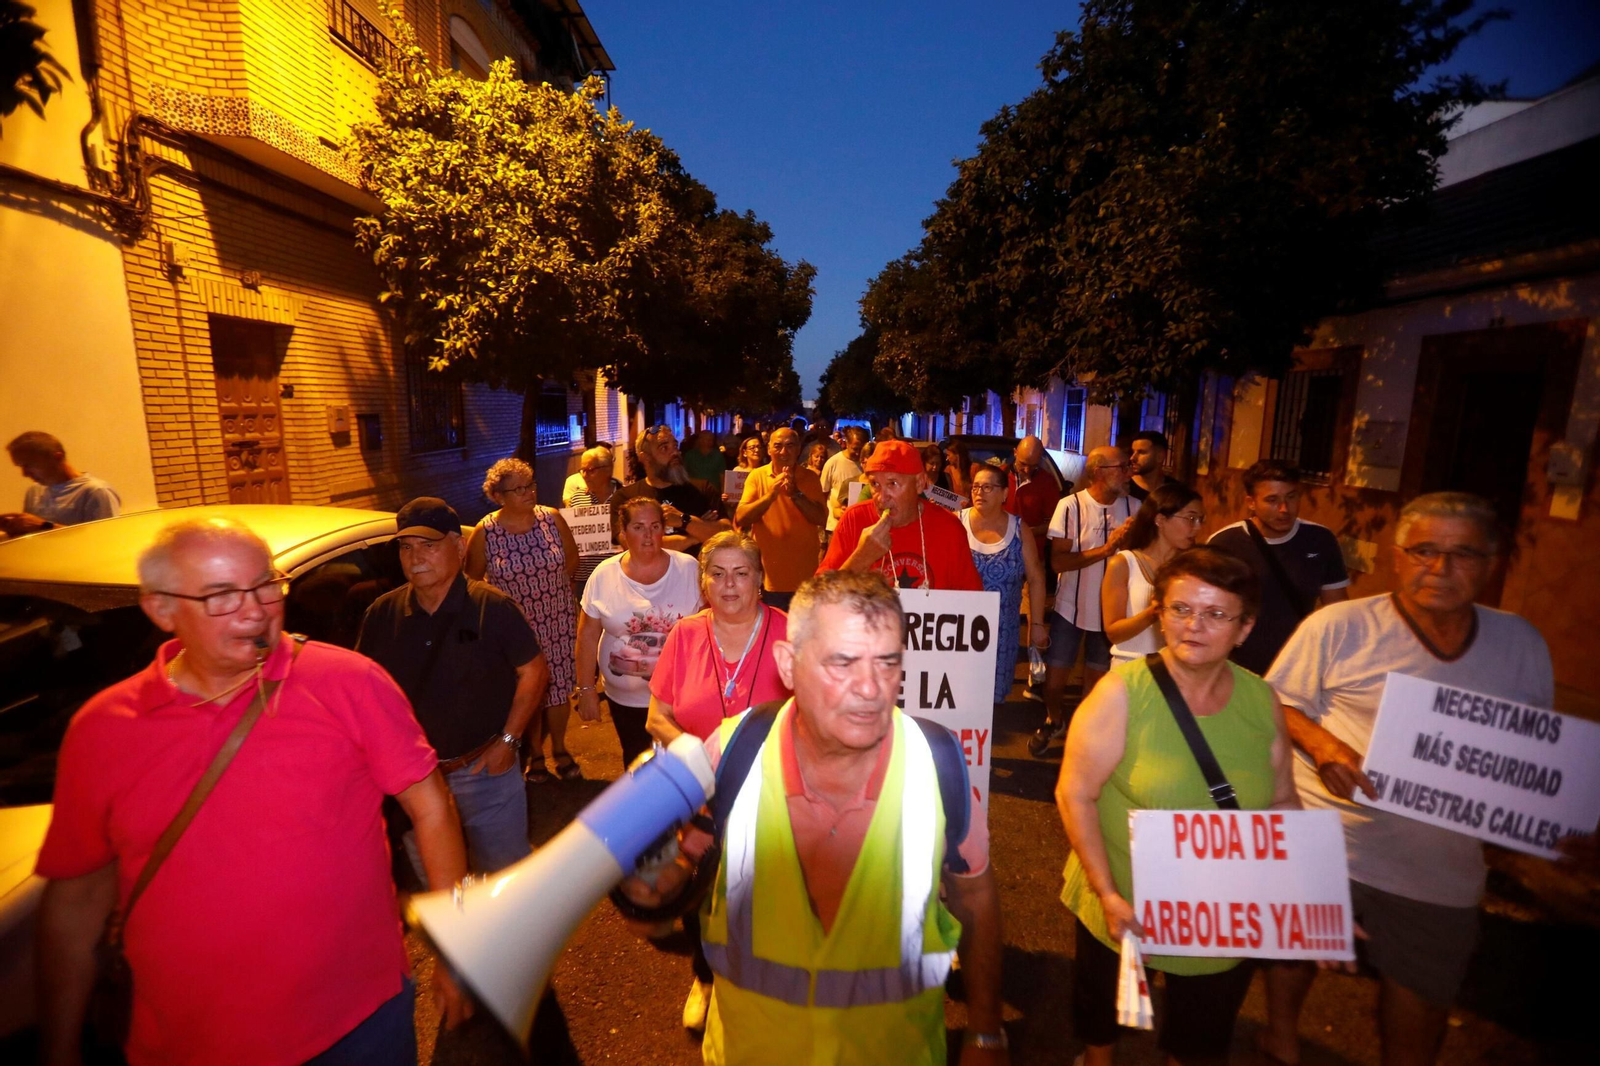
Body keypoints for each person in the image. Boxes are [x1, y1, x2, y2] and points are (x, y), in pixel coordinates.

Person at [36, 516, 470, 1066]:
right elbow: (76, 901)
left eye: (266, 584)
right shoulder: (103, 730)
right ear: (162, 609)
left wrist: (455, 952)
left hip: (358, 1024)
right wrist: (57, 1045)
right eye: (221, 595)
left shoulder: (348, 683)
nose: (255, 609)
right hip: (187, 1044)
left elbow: (431, 807)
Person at [624, 570, 1009, 1065]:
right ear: (789, 664)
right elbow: (671, 876)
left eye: (888, 662)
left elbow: (974, 896)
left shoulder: (935, 762)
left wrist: (985, 1031)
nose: (871, 688)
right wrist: (646, 894)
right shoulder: (733, 752)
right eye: (843, 662)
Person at [1258, 493, 1555, 1066]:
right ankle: (1281, 1037)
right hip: (1332, 839)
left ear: (1492, 563)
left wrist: (1534, 824)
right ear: (1398, 556)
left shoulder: (1521, 643)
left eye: (1462, 554)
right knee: (1297, 950)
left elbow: (1529, 749)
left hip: (1439, 866)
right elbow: (1275, 700)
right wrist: (1323, 745)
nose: (1440, 569)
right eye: (1424, 551)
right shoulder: (1341, 625)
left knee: (1423, 987)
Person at [1057, 547, 1299, 1066]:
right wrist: (1106, 891)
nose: (1194, 625)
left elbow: (1282, 801)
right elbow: (1074, 792)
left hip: (1220, 916)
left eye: (1215, 614)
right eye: (1180, 609)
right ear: (1161, 615)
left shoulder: (1262, 702)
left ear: (1245, 628)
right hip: (1121, 901)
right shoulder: (1122, 692)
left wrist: (1314, 894)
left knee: (1201, 1035)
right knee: (1105, 1019)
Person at [645, 531, 792, 1031]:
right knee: (700, 888)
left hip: (773, 790)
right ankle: (704, 977)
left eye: (742, 573)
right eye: (718, 574)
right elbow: (657, 715)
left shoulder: (790, 633)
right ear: (704, 582)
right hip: (699, 791)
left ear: (760, 579)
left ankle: (770, 979)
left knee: (770, 889)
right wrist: (694, 750)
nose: (729, 585)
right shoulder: (684, 634)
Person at [357, 497, 548, 877]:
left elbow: (534, 670)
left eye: (429, 545)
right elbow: (363, 690)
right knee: (444, 891)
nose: (416, 558)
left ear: (458, 548)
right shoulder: (383, 613)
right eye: (406, 547)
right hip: (416, 781)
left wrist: (509, 741)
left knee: (506, 881)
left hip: (485, 775)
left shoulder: (491, 607)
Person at [466, 459, 583, 783]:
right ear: (499, 495)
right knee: (527, 689)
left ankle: (560, 747)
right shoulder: (485, 531)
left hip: (557, 617)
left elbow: (571, 558)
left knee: (558, 686)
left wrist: (553, 591)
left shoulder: (552, 519)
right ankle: (534, 753)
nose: (529, 492)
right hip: (515, 626)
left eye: (530, 484)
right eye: (519, 489)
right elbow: (473, 579)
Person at [576, 497, 703, 767]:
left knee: (684, 765)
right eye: (638, 527)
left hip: (681, 697)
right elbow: (587, 634)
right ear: (622, 533)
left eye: (655, 526)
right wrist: (586, 688)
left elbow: (709, 627)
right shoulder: (603, 575)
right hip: (625, 701)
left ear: (664, 529)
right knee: (637, 764)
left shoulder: (690, 569)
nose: (648, 535)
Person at [1033, 446, 1136, 757]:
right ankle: (1055, 719)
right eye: (1122, 466)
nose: (1128, 472)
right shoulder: (1070, 506)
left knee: (1096, 688)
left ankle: (1083, 739)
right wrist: (1106, 550)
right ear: (1098, 472)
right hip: (1070, 609)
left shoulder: (1136, 508)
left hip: (1112, 615)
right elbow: (1058, 563)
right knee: (1053, 685)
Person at [1208, 459, 1349, 675]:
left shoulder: (1321, 540)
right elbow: (1208, 610)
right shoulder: (1225, 543)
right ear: (1251, 502)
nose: (1284, 509)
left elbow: (1338, 613)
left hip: (1299, 668)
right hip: (1237, 669)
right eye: (1272, 500)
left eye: (1291, 497)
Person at [819, 439, 983, 591]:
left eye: (892, 484)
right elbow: (817, 600)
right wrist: (862, 557)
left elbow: (971, 603)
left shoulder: (949, 528)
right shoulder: (854, 519)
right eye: (875, 484)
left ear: (919, 484)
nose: (881, 497)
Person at [962, 464, 1048, 704]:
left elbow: (1036, 579)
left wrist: (1038, 624)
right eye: (976, 487)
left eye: (988, 487)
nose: (979, 492)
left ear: (1004, 494)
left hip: (1002, 633)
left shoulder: (1019, 530)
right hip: (959, 631)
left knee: (989, 702)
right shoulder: (956, 524)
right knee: (959, 695)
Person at [1102, 483, 1206, 665]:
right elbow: (1114, 633)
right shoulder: (1125, 563)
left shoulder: (1192, 567)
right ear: (1160, 519)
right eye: (1191, 518)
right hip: (1130, 667)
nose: (1197, 528)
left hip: (1175, 668)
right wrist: (1153, 611)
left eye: (1200, 520)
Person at [738, 427, 829, 611]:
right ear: (769, 449)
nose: (783, 452)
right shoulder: (757, 477)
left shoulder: (810, 478)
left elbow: (820, 518)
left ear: (799, 449)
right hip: (768, 579)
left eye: (790, 446)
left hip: (804, 578)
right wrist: (770, 496)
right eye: (778, 446)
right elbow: (742, 518)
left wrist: (795, 494)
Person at [613, 425, 730, 556]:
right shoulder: (626, 498)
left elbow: (727, 534)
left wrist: (683, 520)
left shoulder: (702, 489)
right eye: (664, 448)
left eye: (675, 446)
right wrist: (698, 534)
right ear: (645, 457)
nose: (674, 452)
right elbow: (634, 545)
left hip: (696, 575)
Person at [3, 430, 120, 536]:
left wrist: (43, 526)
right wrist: (15, 529)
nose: (24, 474)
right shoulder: (34, 491)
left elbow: (106, 542)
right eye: (20, 466)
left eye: (30, 465)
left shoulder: (96, 492)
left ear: (58, 457)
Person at [564, 444, 624, 601]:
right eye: (582, 470)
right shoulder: (577, 498)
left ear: (607, 469)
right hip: (585, 577)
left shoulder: (625, 496)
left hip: (618, 574)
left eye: (590, 470)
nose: (585, 475)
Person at [820, 425, 869, 540]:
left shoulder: (869, 464)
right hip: (836, 526)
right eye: (855, 449)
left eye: (862, 449)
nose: (858, 453)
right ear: (847, 444)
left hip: (862, 529)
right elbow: (822, 494)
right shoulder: (832, 463)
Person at [1126, 430, 1178, 503]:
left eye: (1141, 452)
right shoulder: (1124, 487)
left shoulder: (1174, 491)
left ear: (1160, 456)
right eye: (1132, 452)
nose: (1132, 458)